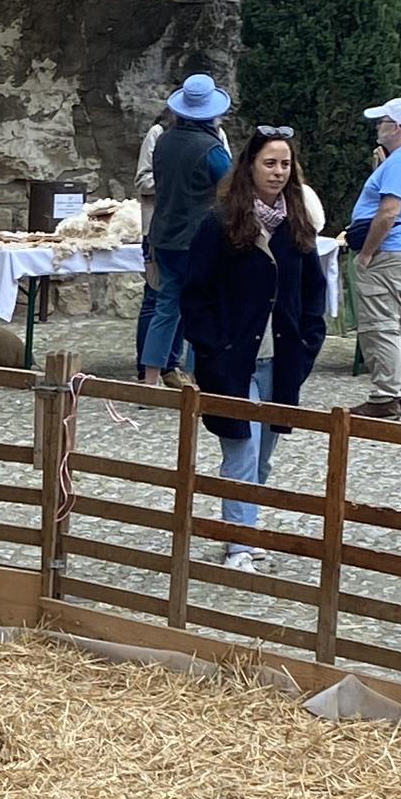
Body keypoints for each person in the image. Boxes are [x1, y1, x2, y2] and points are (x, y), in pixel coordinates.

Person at [174, 125, 330, 570]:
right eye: (269, 163)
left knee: (263, 455)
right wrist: (213, 347)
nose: (278, 172)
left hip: (279, 361)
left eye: (285, 164)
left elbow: (313, 292)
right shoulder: (220, 223)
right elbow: (195, 294)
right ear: (250, 166)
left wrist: (306, 346)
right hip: (232, 362)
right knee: (241, 450)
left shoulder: (298, 225)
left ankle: (247, 526)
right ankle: (238, 543)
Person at [137, 73, 233, 375]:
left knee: (165, 309)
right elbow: (232, 189)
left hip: (163, 235)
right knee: (201, 308)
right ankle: (197, 379)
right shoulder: (211, 149)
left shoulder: (163, 140)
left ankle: (150, 379)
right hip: (198, 239)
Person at [346, 95, 401, 417]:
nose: (377, 127)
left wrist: (367, 253)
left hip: (387, 253)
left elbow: (388, 212)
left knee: (379, 326)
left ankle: (384, 397)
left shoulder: (400, 162)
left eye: (382, 122)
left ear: (395, 127)